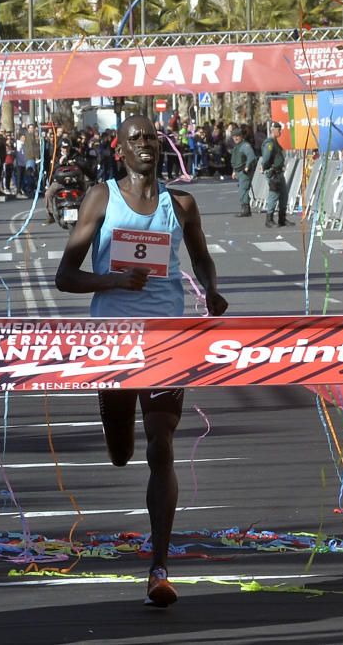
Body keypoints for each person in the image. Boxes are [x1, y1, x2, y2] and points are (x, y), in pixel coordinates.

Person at [55, 114, 227, 608]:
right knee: (121, 450)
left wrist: (212, 291)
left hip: (165, 341)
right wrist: (111, 280)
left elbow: (202, 259)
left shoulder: (181, 204)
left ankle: (159, 567)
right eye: (135, 139)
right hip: (112, 340)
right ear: (120, 151)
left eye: (151, 138)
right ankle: (115, 423)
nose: (145, 145)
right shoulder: (101, 198)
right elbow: (66, 275)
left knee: (161, 446)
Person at [260, 121, 291, 228]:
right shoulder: (269, 143)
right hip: (273, 173)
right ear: (273, 130)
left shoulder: (275, 142)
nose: (281, 131)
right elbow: (266, 158)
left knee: (284, 194)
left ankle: (282, 218)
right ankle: (269, 219)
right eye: (279, 129)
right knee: (274, 195)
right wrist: (265, 167)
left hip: (278, 172)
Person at [229, 125, 257, 217]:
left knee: (243, 190)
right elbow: (236, 160)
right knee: (242, 190)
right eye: (234, 136)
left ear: (241, 136)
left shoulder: (245, 146)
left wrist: (247, 167)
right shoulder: (237, 147)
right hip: (238, 171)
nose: (236, 138)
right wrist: (234, 171)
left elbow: (251, 156)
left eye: (238, 136)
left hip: (244, 172)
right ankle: (246, 208)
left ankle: (245, 210)